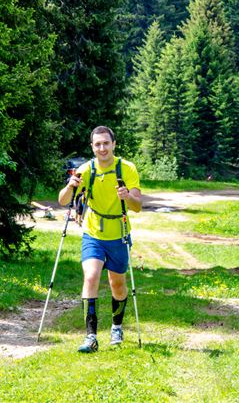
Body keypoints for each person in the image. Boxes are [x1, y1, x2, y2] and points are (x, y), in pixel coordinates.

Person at [58, 126, 142, 353]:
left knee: (117, 284)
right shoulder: (86, 170)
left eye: (106, 143)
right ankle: (91, 336)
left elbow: (137, 206)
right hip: (93, 233)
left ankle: (116, 326)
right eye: (98, 144)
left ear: (113, 144)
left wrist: (127, 196)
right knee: (91, 276)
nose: (102, 148)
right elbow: (63, 200)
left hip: (119, 234)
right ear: (92, 147)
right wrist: (71, 185)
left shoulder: (127, 169)